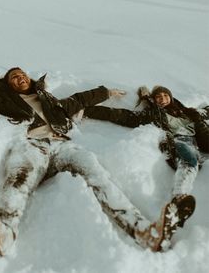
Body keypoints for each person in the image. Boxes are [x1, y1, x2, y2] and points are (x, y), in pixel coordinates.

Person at [0, 73, 195, 256]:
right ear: (8, 84)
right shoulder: (2, 102)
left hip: (63, 145)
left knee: (98, 176)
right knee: (19, 179)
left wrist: (105, 92)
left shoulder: (49, 100)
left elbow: (78, 100)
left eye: (22, 74)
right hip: (32, 145)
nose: (20, 77)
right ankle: (4, 233)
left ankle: (144, 231)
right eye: (14, 77)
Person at [84, 85, 209, 225]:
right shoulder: (153, 115)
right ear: (153, 100)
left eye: (165, 96)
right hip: (181, 141)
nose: (163, 99)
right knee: (189, 160)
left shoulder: (186, 111)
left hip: (201, 141)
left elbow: (205, 111)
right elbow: (122, 115)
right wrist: (88, 110)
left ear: (171, 97)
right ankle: (179, 197)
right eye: (158, 97)